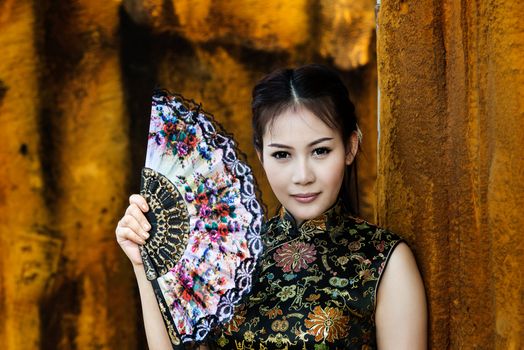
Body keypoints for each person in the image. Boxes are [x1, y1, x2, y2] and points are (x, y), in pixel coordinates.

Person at [116, 64, 427, 349]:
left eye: (320, 151)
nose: (302, 176)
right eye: (282, 155)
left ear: (350, 147)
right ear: (261, 154)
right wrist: (145, 266)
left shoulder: (384, 260)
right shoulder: (231, 253)